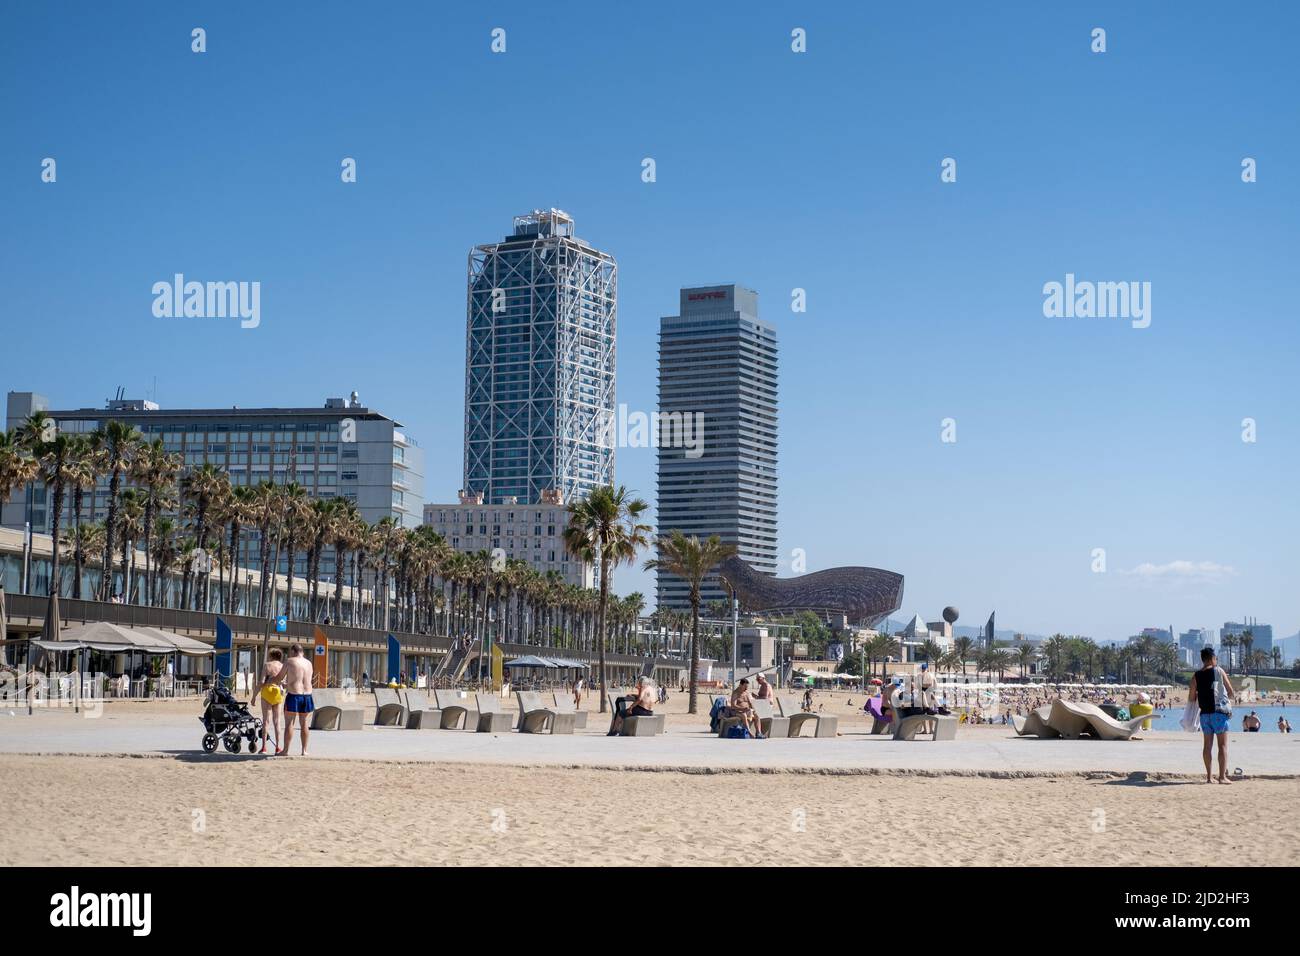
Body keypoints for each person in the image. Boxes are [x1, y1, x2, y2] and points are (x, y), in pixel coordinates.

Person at [1188, 647, 1233, 784]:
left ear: (1202, 660)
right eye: (1215, 658)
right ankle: (1222, 777)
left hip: (1204, 715)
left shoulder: (1196, 676)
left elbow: (1191, 698)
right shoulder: (1218, 670)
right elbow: (1231, 692)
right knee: (1223, 746)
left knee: (1207, 746)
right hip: (1219, 713)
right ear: (1212, 658)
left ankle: (1209, 777)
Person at [264, 644, 315, 756]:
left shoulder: (290, 661)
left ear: (293, 651)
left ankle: (286, 750)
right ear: (302, 652)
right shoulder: (309, 663)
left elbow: (279, 677)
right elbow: (302, 680)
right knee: (304, 723)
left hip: (294, 695)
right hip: (307, 695)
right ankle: (304, 750)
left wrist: (268, 681)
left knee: (289, 723)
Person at [250, 649, 286, 754]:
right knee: (277, 721)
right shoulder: (282, 666)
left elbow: (261, 682)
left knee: (266, 721)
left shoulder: (267, 665)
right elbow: (283, 683)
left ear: (271, 656)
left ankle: (264, 748)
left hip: (267, 691)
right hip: (278, 692)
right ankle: (278, 747)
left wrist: (254, 696)